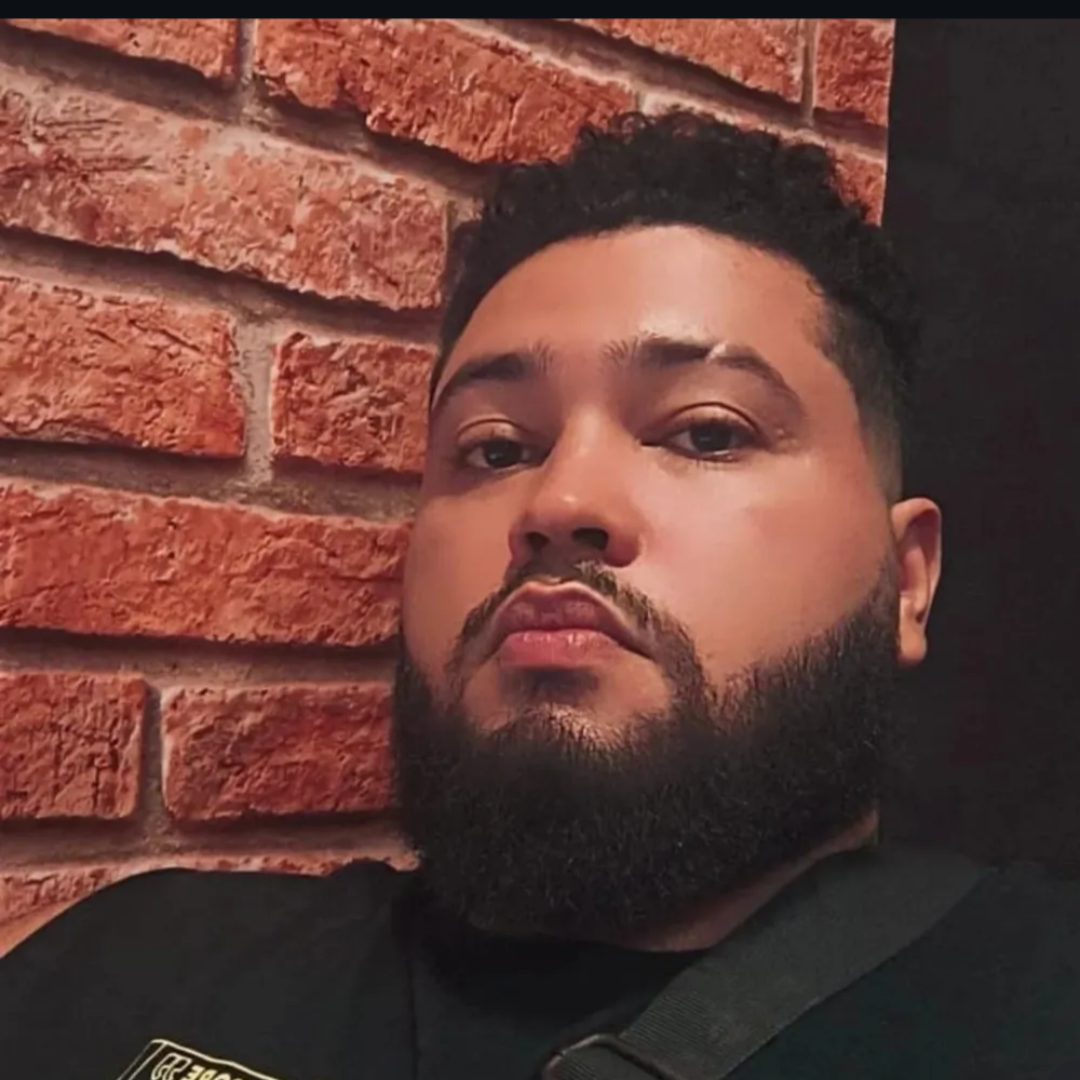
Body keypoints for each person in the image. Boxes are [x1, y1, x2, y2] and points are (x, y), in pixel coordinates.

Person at [2, 112, 1078, 1079]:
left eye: (707, 432)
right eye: (495, 448)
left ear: (906, 581)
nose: (558, 502)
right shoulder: (127, 968)